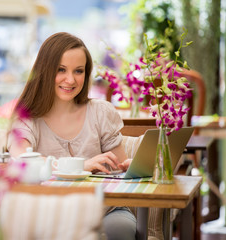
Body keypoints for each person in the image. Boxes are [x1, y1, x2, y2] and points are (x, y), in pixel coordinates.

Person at [7, 32, 136, 240]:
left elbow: (120, 168)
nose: (70, 80)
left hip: (104, 210)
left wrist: (130, 167)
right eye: (61, 70)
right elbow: (23, 159)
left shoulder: (101, 112)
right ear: (45, 70)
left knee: (120, 229)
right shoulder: (26, 117)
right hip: (49, 212)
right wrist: (79, 167)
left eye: (78, 71)